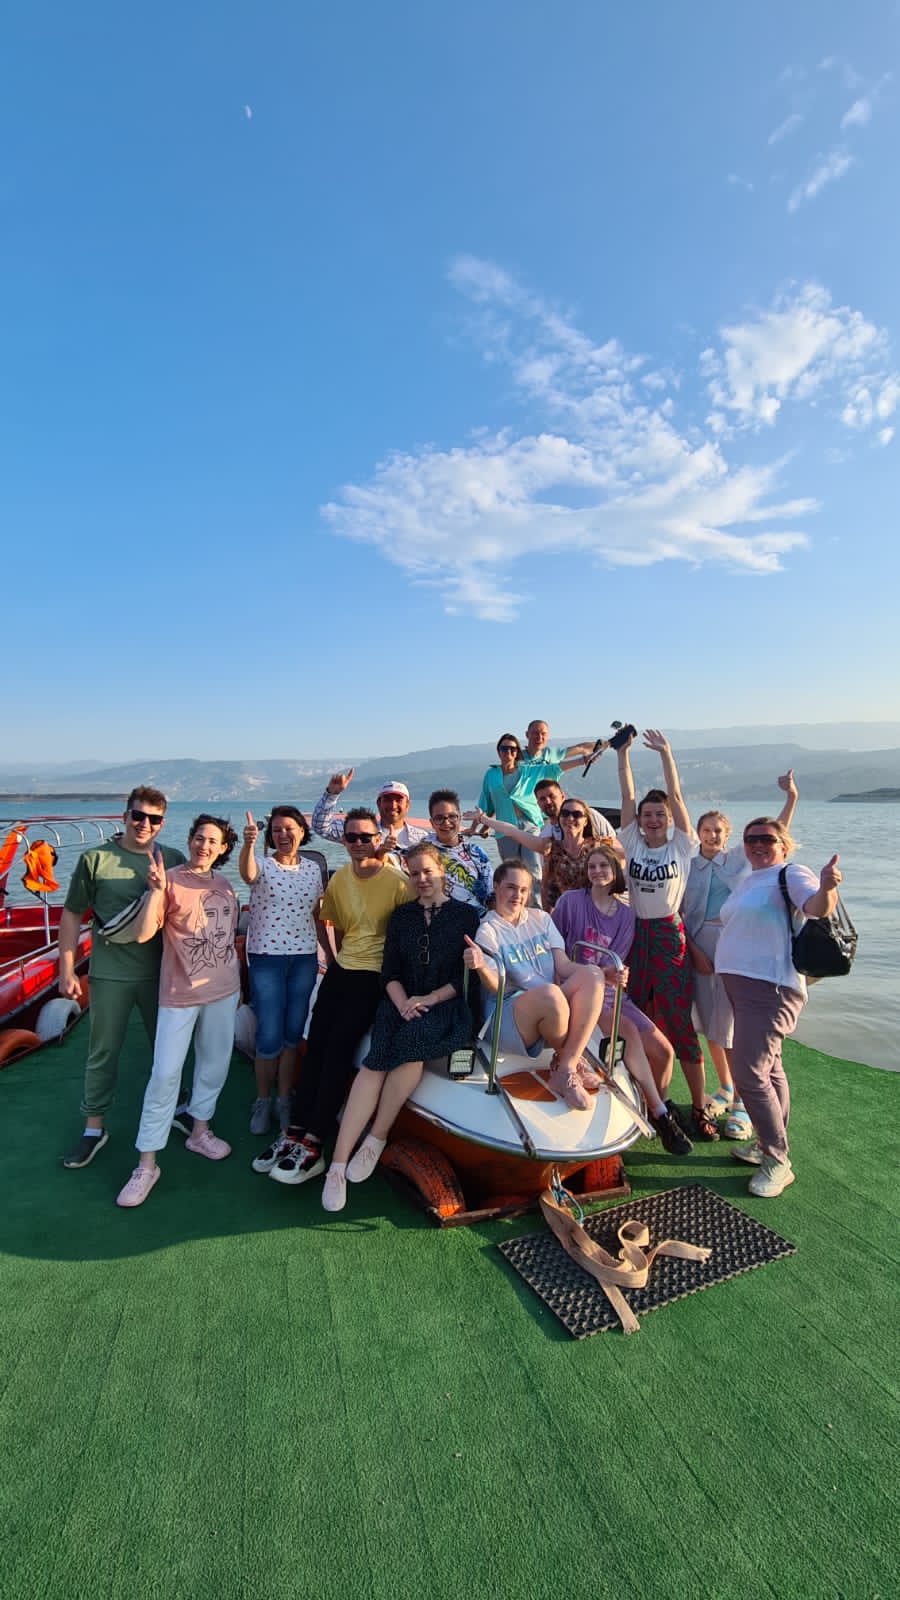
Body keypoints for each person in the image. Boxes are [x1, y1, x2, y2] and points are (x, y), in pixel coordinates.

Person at [321, 842, 481, 1211]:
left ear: (441, 871)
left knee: (412, 1042)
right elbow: (389, 972)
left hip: (445, 1004)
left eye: (428, 871)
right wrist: (403, 1003)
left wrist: (427, 1000)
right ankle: (338, 1165)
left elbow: (464, 979)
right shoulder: (401, 917)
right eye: (414, 873)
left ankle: (376, 1137)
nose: (422, 879)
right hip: (399, 1000)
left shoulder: (465, 917)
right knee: (377, 1057)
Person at [263, 808, 412, 1186]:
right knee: (315, 1046)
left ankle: (315, 1140)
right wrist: (333, 960)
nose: (358, 843)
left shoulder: (398, 882)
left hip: (375, 977)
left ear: (377, 840)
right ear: (343, 841)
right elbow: (334, 923)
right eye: (351, 837)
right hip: (343, 970)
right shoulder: (341, 878)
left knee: (338, 1052)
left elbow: (409, 935)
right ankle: (295, 1129)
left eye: (366, 837)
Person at [114, 816, 241, 1208]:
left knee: (214, 1063)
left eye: (213, 841)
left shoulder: (225, 885)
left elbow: (226, 938)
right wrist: (155, 891)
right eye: (199, 838)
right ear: (189, 840)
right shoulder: (168, 880)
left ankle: (199, 1132)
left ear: (223, 849)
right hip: (178, 994)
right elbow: (143, 934)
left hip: (223, 991)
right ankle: (146, 1164)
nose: (204, 845)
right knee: (165, 1074)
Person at [59, 786, 186, 1169]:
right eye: (138, 815)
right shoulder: (95, 859)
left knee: (168, 1050)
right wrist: (66, 969)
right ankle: (93, 1128)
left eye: (154, 819)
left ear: (162, 823)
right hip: (110, 973)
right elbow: (72, 914)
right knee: (103, 1051)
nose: (145, 824)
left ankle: (177, 1109)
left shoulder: (172, 859)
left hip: (161, 974)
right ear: (125, 815)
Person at [715, 821, 842, 1198]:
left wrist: (828, 888)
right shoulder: (749, 880)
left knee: (748, 1072)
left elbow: (815, 907)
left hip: (770, 987)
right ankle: (767, 1145)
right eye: (750, 839)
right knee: (770, 1068)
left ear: (783, 845)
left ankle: (777, 1160)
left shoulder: (792, 873)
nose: (757, 844)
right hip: (742, 987)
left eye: (766, 839)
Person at [551, 842, 690, 1151]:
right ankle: (662, 1114)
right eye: (592, 866)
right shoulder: (571, 902)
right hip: (582, 992)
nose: (597, 871)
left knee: (664, 1052)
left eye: (604, 866)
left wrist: (617, 975)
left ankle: (655, 1105)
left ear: (615, 871)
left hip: (613, 994)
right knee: (627, 1030)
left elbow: (617, 961)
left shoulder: (626, 916)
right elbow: (553, 947)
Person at [682, 772, 798, 1139]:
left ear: (727, 835)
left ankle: (743, 1104)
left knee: (731, 1024)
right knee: (710, 1023)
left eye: (718, 831)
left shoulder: (739, 860)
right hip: (698, 946)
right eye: (706, 830)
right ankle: (727, 1086)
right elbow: (679, 911)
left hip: (734, 946)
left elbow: (775, 836)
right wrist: (694, 952)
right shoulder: (688, 865)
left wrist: (791, 799)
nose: (712, 835)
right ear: (698, 833)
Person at [616, 729, 717, 1140]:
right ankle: (645, 1098)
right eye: (648, 814)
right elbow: (626, 795)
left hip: (669, 936)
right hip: (635, 935)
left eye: (660, 814)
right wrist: (622, 754)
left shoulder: (680, 845)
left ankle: (699, 1106)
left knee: (679, 1022)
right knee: (635, 1015)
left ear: (669, 819)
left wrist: (666, 755)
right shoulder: (631, 842)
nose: (654, 819)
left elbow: (675, 795)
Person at [462, 860, 610, 1111]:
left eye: (523, 890)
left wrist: (602, 975)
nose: (517, 895)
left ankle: (566, 1066)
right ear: (496, 886)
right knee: (551, 995)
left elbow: (564, 966)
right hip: (508, 1014)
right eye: (510, 887)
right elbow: (495, 987)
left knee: (592, 974)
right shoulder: (488, 930)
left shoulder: (541, 918)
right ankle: (570, 1062)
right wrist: (480, 967)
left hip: (551, 1006)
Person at [238, 805, 328, 1137]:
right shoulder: (262, 864)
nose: (283, 835)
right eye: (276, 830)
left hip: (304, 957)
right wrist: (249, 843)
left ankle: (284, 1099)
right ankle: (263, 1100)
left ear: (302, 831)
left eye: (290, 828)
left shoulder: (313, 870)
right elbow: (247, 874)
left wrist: (330, 956)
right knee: (268, 1034)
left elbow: (317, 915)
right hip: (267, 958)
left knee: (292, 1033)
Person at [467, 795, 602, 913]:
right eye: (565, 813)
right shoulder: (550, 847)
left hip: (595, 911)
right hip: (566, 913)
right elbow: (513, 832)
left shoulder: (598, 847)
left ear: (586, 820)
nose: (570, 818)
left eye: (577, 814)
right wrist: (483, 819)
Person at [475, 735, 560, 900]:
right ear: (498, 751)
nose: (508, 752)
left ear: (517, 752)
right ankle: (515, 907)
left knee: (533, 870)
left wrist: (583, 759)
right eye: (504, 748)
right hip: (504, 829)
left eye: (513, 749)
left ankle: (535, 908)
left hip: (529, 825)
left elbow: (554, 769)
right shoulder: (491, 774)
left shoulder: (527, 771)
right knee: (512, 873)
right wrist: (479, 827)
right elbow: (487, 803)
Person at [311, 771, 427, 866]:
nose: (393, 805)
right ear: (378, 804)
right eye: (387, 800)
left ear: (407, 805)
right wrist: (331, 795)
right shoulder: (360, 831)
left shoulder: (422, 838)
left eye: (398, 800)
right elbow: (322, 827)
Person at [425, 789, 493, 908]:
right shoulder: (423, 851)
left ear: (459, 818)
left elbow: (491, 891)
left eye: (452, 816)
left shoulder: (476, 852)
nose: (446, 823)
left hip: (479, 915)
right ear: (432, 823)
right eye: (439, 818)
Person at [534, 777, 615, 850]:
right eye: (542, 799)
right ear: (538, 804)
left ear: (562, 796)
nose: (548, 801)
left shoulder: (589, 815)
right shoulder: (545, 836)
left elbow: (614, 843)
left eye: (552, 796)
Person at [523, 719, 599, 766]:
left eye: (543, 734)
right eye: (535, 733)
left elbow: (582, 748)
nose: (539, 737)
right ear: (527, 735)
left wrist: (604, 744)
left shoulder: (551, 754)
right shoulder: (518, 756)